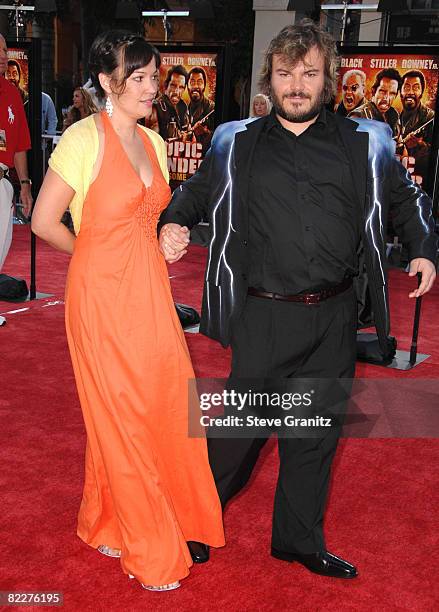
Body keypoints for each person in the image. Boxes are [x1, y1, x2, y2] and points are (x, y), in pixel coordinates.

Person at [158, 20, 437, 580]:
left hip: (335, 316)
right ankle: (193, 520)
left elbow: (406, 200)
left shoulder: (368, 142)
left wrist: (424, 249)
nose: (297, 85)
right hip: (263, 315)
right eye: (286, 73)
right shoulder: (236, 140)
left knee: (314, 437)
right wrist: (173, 222)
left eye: (309, 73)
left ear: (327, 78)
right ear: (271, 78)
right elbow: (196, 190)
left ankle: (297, 540)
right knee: (239, 434)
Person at [31, 30, 224, 590]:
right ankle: (148, 541)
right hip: (100, 297)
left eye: (153, 77)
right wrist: (94, 252)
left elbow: (157, 215)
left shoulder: (156, 143)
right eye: (138, 77)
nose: (150, 88)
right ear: (107, 83)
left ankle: (111, 518)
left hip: (151, 296)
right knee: (120, 415)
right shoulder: (80, 139)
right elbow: (45, 222)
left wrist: (168, 237)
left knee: (163, 405)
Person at [0, 34, 33, 326]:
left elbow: (20, 143)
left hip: (3, 180)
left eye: (4, 49)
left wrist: (25, 186)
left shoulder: (12, 93)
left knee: (2, 244)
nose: (1, 55)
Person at [399, 70, 435, 180]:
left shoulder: (430, 117)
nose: (410, 92)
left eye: (416, 87)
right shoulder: (394, 116)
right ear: (400, 92)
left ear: (421, 92)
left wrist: (420, 145)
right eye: (406, 87)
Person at [351, 68, 401, 137]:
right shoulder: (358, 116)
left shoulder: (394, 114)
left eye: (392, 93)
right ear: (373, 91)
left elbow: (398, 143)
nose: (386, 98)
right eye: (382, 91)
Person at [148, 65, 189, 141]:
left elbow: (187, 130)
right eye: (173, 86)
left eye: (181, 87)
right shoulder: (156, 107)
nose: (176, 92)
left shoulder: (183, 106)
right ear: (166, 86)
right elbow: (152, 141)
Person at [187, 66, 215, 153]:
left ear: (204, 85)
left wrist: (205, 132)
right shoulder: (184, 108)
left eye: (199, 82)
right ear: (187, 85)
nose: (195, 86)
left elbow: (220, 137)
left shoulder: (212, 108)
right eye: (192, 82)